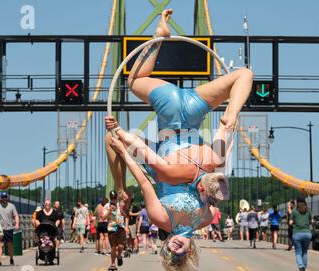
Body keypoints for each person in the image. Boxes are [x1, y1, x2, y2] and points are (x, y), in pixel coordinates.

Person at [105, 9, 253, 204]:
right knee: (112, 134)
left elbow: (225, 132)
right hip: (169, 113)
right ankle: (121, 189)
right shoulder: (171, 176)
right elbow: (139, 148)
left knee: (244, 74)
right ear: (200, 191)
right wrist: (118, 131)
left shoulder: (217, 163)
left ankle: (231, 111)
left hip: (194, 108)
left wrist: (231, 116)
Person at [108, 136, 228, 271]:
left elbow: (145, 183)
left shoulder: (161, 218)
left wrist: (123, 151)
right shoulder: (206, 219)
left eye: (169, 254)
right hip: (187, 160)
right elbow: (215, 188)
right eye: (180, 256)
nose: (174, 251)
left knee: (111, 137)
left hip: (164, 160)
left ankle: (121, 189)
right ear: (189, 252)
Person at [289, 197, 314, 271]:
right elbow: (312, 221)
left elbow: (290, 222)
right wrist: (307, 222)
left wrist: (293, 222)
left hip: (297, 234)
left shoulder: (295, 210)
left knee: (298, 252)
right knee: (305, 252)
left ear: (297, 202)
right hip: (307, 234)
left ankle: (301, 266)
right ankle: (304, 267)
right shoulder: (308, 210)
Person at [0, 192, 19, 266]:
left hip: (9, 228)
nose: (4, 199)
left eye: (5, 197)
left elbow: (16, 215)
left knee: (9, 245)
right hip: (0, 229)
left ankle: (11, 258)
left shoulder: (12, 206)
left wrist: (17, 224)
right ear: (0, 198)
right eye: (3, 197)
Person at [103, 201, 127, 271]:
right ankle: (113, 264)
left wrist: (121, 210)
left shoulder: (120, 206)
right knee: (113, 247)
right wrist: (109, 211)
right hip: (112, 229)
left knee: (120, 246)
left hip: (121, 228)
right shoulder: (107, 208)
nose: (113, 206)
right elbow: (103, 218)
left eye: (114, 204)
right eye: (112, 204)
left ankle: (119, 255)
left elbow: (126, 215)